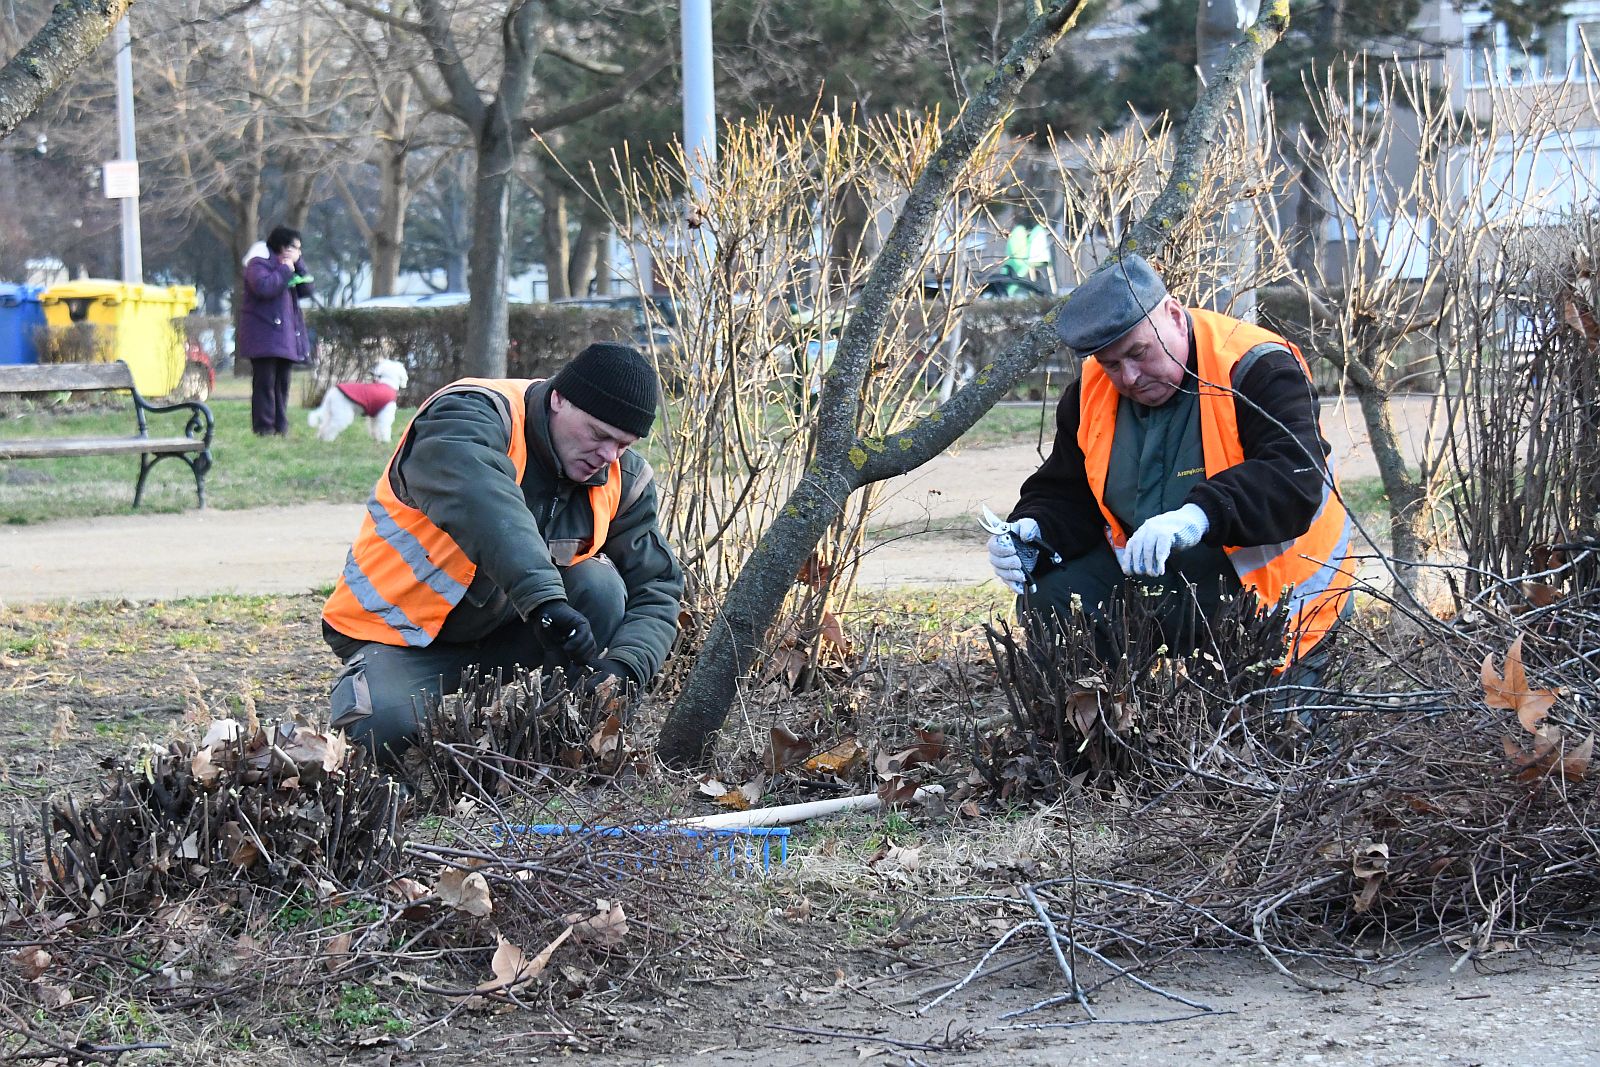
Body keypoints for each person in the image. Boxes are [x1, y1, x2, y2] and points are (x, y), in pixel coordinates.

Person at [987, 254, 1354, 677]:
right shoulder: (1092, 391)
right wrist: (1034, 531)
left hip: (1280, 600)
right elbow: (1068, 491)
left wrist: (1198, 517)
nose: (1129, 377)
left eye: (1139, 352)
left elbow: (1293, 477)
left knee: (1262, 737)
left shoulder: (1257, 366)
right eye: (1111, 364)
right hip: (1162, 586)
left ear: (1175, 316)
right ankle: (1099, 726)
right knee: (1050, 597)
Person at [321, 341, 684, 762]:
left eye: (624, 444)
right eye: (599, 434)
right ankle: (379, 691)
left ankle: (543, 738)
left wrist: (625, 668)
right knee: (381, 733)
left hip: (508, 630)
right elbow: (487, 507)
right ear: (558, 398)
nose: (608, 457)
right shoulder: (464, 416)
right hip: (399, 635)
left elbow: (657, 584)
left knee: (598, 587)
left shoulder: (622, 475)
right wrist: (546, 601)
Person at [239, 226, 314, 435]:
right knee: (265, 384)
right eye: (295, 248)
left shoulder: (290, 266)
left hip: (285, 337)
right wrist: (285, 269)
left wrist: (297, 265)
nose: (298, 252)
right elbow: (264, 287)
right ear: (283, 247)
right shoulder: (258, 263)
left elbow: (307, 289)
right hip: (263, 335)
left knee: (282, 385)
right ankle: (264, 427)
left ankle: (281, 426)